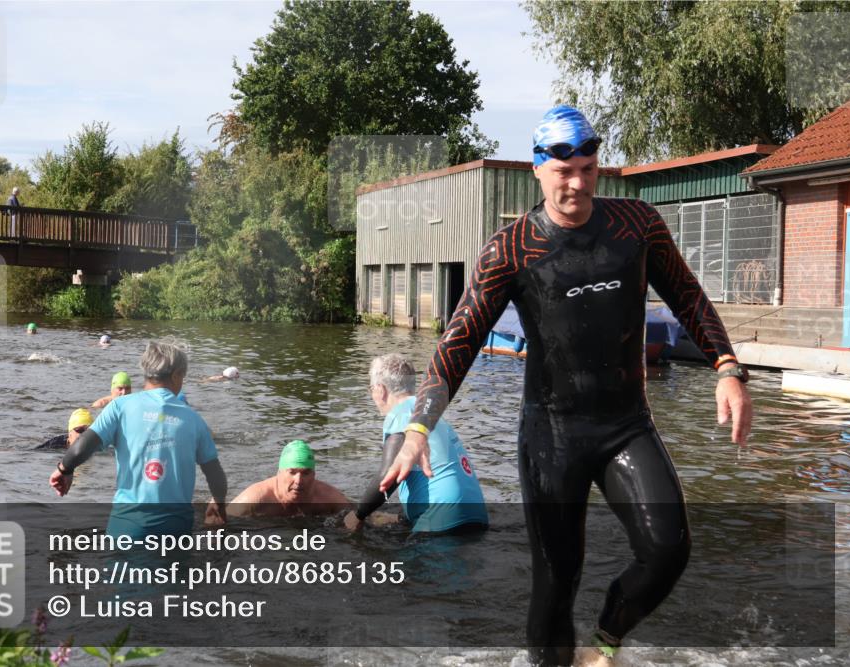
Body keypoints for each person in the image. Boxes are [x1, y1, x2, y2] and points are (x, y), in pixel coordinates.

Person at [380, 105, 754, 667]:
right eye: (563, 171)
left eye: (588, 168)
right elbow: (457, 343)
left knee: (667, 550)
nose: (577, 183)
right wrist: (416, 429)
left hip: (626, 424)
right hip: (551, 435)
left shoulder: (636, 226)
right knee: (557, 577)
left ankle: (605, 641)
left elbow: (689, 296)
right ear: (537, 169)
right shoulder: (510, 249)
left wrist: (727, 368)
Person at [49, 341, 229, 535]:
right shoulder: (194, 420)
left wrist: (64, 469)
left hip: (127, 527)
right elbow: (216, 476)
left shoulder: (120, 407)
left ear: (146, 373)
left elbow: (82, 447)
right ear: (177, 375)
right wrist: (218, 503)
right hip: (175, 529)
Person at [345, 354, 487, 534]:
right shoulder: (431, 416)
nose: (372, 395)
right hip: (476, 514)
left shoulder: (399, 414)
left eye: (371, 389)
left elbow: (387, 476)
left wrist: (358, 515)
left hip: (442, 518)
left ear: (380, 390)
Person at [228, 440, 351, 518]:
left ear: (314, 475)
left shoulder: (329, 498)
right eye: (292, 472)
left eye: (306, 473)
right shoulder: (256, 498)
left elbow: (359, 516)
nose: (299, 480)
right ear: (279, 473)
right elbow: (220, 520)